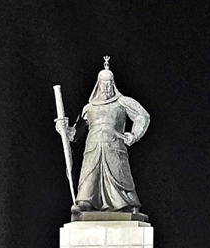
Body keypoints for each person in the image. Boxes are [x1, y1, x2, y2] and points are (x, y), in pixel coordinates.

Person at [55, 57, 150, 214]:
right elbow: (77, 133)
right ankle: (86, 201)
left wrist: (134, 135)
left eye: (109, 83)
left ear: (113, 84)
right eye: (103, 83)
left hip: (114, 146)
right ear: (98, 85)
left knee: (119, 177)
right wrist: (64, 130)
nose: (106, 87)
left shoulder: (122, 102)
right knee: (89, 177)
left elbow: (142, 116)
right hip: (92, 148)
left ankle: (125, 203)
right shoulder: (89, 108)